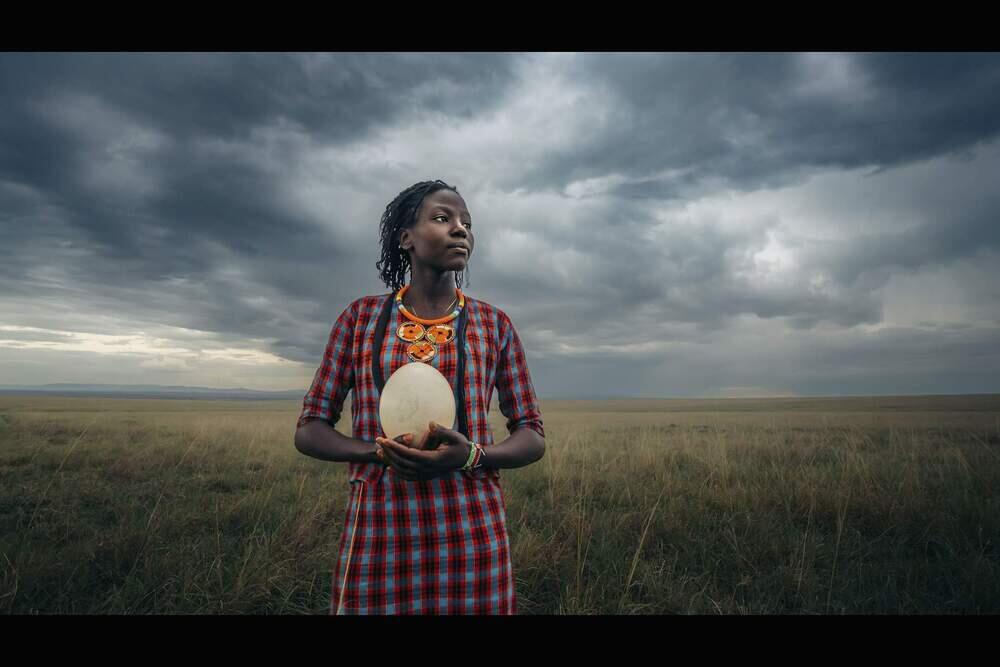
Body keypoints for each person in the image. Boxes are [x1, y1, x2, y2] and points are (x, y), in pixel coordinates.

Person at [294, 179, 546, 615]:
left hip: (472, 535)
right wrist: (379, 453)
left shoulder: (494, 325)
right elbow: (309, 429)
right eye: (443, 218)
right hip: (379, 533)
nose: (460, 229)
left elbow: (532, 434)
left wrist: (472, 456)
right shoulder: (360, 319)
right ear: (406, 238)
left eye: (467, 223)